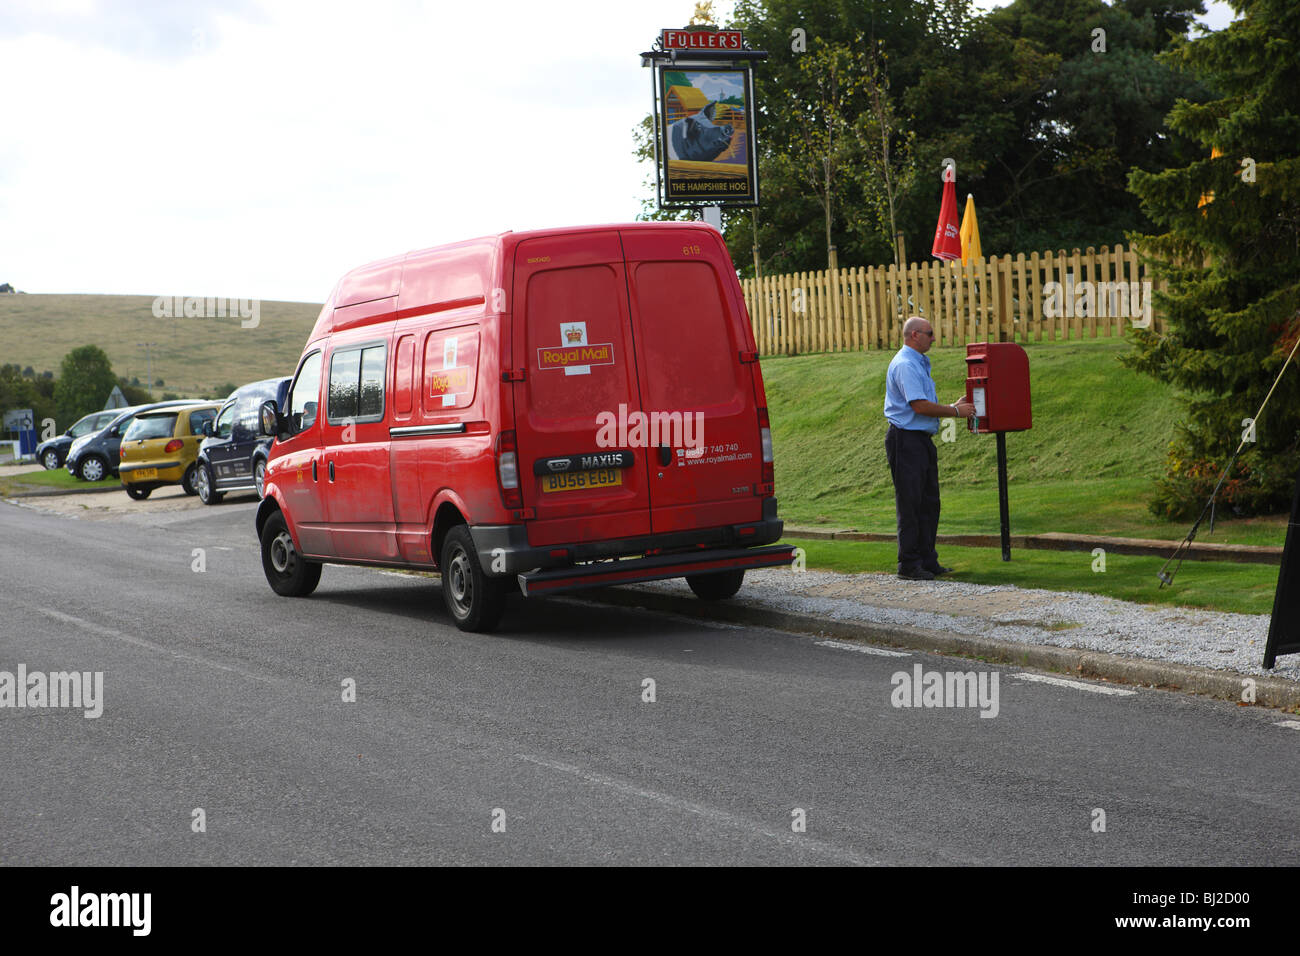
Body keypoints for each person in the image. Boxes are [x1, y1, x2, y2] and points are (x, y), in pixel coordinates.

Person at [883, 316, 975, 580]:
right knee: (911, 503)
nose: (934, 338)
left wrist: (951, 406)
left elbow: (922, 405)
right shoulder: (906, 364)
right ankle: (908, 564)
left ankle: (927, 559)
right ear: (915, 335)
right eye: (930, 333)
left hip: (920, 439)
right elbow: (919, 406)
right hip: (906, 440)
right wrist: (955, 412)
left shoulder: (918, 362)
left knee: (929, 503)